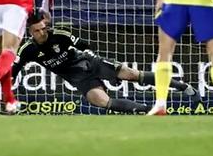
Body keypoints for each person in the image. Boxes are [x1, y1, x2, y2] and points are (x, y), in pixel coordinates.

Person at [11, 11, 199, 114]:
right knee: (99, 101)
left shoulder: (59, 35)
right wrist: (6, 87)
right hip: (78, 78)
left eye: (44, 28)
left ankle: (182, 86)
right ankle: (150, 111)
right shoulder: (28, 49)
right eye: (37, 31)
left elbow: (84, 45)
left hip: (89, 63)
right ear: (30, 32)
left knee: (132, 75)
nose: (42, 33)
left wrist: (84, 53)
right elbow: (15, 69)